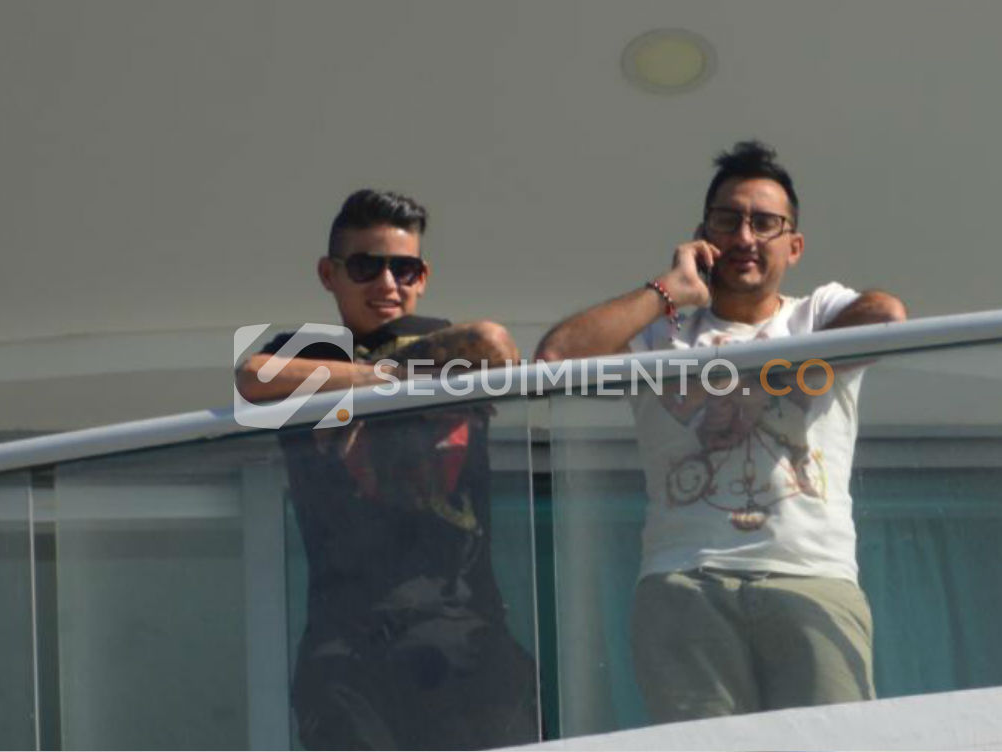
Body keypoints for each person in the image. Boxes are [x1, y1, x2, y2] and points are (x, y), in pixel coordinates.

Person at [535, 141, 906, 722]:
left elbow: (886, 316)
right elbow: (555, 358)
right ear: (702, 235)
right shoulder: (664, 335)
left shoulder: (816, 314)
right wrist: (669, 291)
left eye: (765, 223)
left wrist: (763, 379)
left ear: (794, 245)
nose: (744, 237)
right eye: (727, 220)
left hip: (811, 574)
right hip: (686, 580)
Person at [236, 189, 538, 750]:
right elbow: (254, 375)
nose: (387, 283)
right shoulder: (316, 350)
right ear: (328, 274)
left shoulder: (446, 341)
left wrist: (385, 377)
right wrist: (384, 381)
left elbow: (494, 345)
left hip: (462, 635)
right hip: (347, 644)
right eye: (365, 266)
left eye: (405, 269)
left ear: (423, 277)